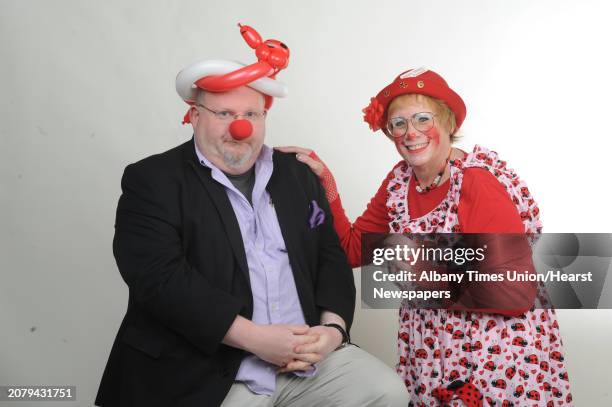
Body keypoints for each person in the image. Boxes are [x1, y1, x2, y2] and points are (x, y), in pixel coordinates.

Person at [94, 24, 408, 407]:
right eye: (224, 113)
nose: (239, 128)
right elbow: (159, 280)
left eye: (251, 114)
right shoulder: (152, 180)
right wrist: (256, 339)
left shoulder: (297, 174)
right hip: (213, 368)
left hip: (306, 364)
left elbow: (330, 256)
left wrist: (332, 331)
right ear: (194, 116)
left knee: (385, 392)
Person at [279, 68, 573, 406]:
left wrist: (423, 271)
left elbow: (514, 291)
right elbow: (351, 250)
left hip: (495, 360)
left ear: (449, 123)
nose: (410, 133)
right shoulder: (400, 181)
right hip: (434, 353)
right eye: (398, 124)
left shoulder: (475, 181)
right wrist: (325, 185)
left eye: (422, 119)